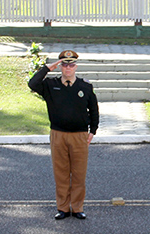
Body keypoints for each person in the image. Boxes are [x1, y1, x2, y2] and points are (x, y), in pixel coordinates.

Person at [27, 49, 99, 220]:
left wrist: (93, 131)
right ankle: (63, 208)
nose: (68, 68)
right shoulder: (50, 85)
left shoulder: (85, 86)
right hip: (58, 134)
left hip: (79, 135)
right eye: (64, 65)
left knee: (79, 174)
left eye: (71, 65)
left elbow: (93, 110)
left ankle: (78, 207)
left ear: (76, 67)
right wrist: (47, 68)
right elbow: (32, 84)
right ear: (60, 67)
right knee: (61, 173)